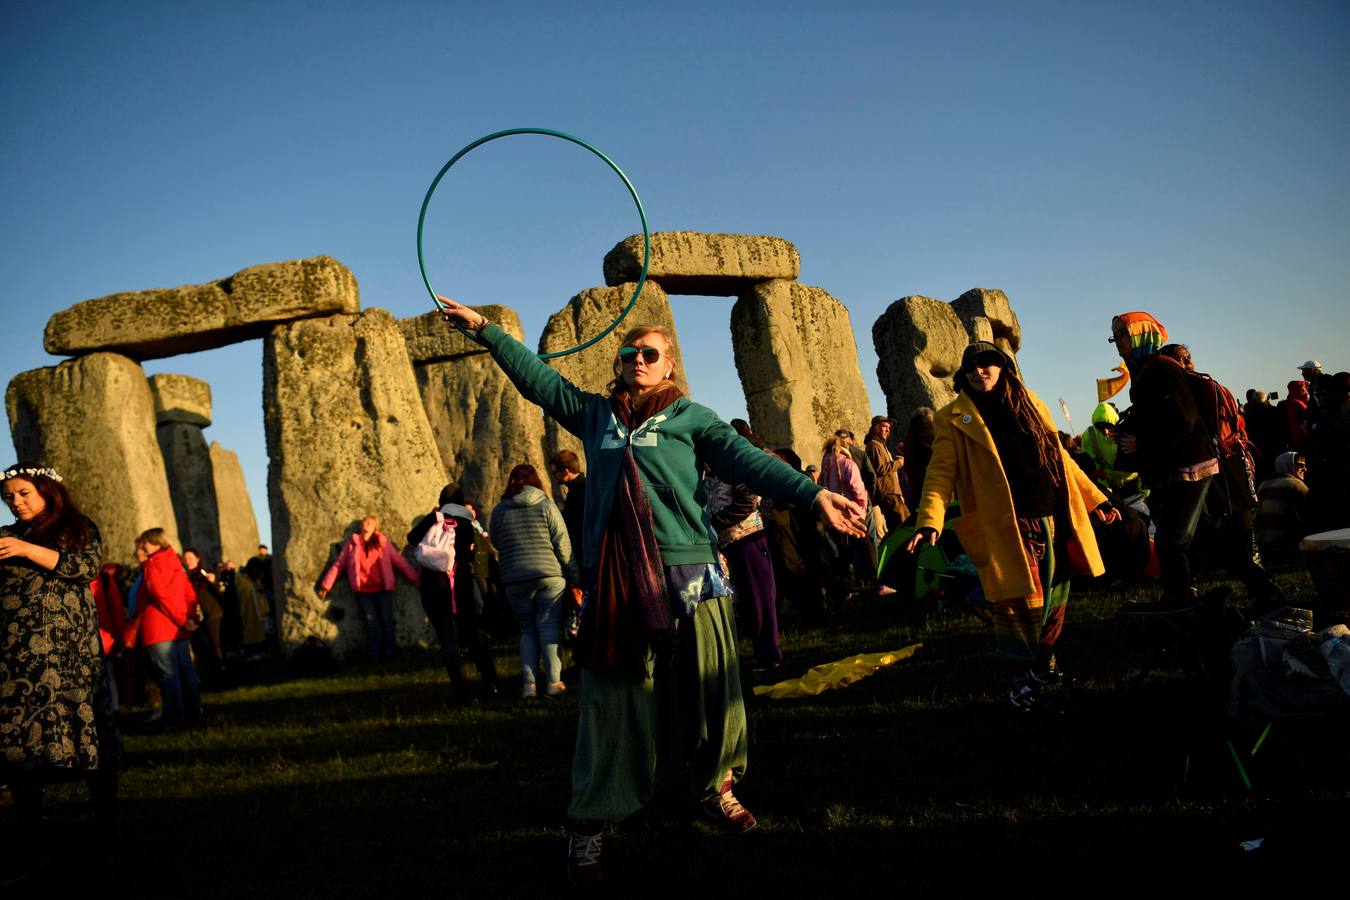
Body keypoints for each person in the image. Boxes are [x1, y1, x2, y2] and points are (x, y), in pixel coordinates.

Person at [434, 298, 864, 887]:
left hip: (691, 576)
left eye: (650, 353)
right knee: (612, 704)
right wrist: (488, 332)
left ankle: (717, 789)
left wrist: (813, 495)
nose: (637, 359)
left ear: (668, 366)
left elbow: (746, 460)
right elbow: (540, 382)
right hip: (616, 581)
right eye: (629, 352)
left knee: (713, 692)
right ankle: (590, 822)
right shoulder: (595, 415)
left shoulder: (693, 418)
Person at [907, 343, 1118, 711]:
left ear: (1003, 368)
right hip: (1007, 524)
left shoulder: (1031, 403)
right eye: (971, 367)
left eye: (987, 363)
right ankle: (1020, 682)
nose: (979, 371)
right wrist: (929, 520)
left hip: (1054, 515)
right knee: (1018, 604)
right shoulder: (952, 417)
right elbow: (940, 474)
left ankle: (1045, 663)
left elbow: (1060, 457)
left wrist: (1095, 498)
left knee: (1055, 598)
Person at [0, 463, 121, 850]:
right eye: (8, 498)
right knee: (19, 741)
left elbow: (83, 567)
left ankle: (106, 823)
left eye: (23, 494)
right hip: (16, 659)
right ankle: (30, 829)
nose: (15, 503)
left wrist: (26, 549)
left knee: (87, 730)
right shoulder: (5, 536)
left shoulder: (76, 528)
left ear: (46, 490)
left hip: (71, 655)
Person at [1110, 312, 1218, 612]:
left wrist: (1142, 442)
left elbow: (1184, 418)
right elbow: (1157, 416)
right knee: (1179, 537)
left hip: (1189, 466)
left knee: (1172, 541)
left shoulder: (1160, 368)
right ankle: (1180, 598)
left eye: (1122, 334)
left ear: (1142, 334)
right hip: (1172, 466)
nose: (1116, 341)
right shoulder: (1145, 369)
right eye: (1114, 336)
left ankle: (1180, 603)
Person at [489, 463, 578, 698]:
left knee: (527, 630)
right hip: (549, 575)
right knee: (549, 628)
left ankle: (529, 685)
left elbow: (496, 541)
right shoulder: (546, 506)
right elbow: (562, 543)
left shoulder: (499, 511)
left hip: (514, 578)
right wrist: (574, 575)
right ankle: (554, 682)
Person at [407, 484, 502, 702]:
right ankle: (491, 681)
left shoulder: (433, 518)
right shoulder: (465, 522)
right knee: (471, 634)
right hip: (460, 585)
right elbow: (469, 552)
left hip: (433, 587)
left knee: (447, 639)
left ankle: (462, 692)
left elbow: (412, 538)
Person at [124, 528, 204, 729]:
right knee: (187, 676)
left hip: (159, 629)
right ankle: (194, 718)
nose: (142, 547)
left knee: (169, 679)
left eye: (145, 543)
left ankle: (175, 721)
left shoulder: (152, 564)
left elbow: (160, 596)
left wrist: (181, 619)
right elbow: (189, 593)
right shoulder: (176, 562)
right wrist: (190, 618)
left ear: (156, 544)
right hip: (179, 629)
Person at [318, 515, 420, 661]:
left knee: (386, 620)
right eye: (364, 522)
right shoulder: (352, 545)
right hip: (363, 590)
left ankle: (390, 652)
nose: (367, 523)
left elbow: (400, 561)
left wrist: (415, 579)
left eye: (370, 522)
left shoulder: (382, 542)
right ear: (360, 526)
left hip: (383, 588)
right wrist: (325, 586)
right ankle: (374, 654)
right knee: (370, 621)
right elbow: (338, 565)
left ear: (375, 527)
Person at [1256, 451, 1310, 562]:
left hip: (1264, 551)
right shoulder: (1296, 485)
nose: (1305, 469)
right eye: (1300, 465)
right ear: (1288, 465)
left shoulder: (1263, 485)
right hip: (1286, 549)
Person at [864, 415, 909, 533]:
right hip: (888, 494)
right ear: (875, 428)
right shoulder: (874, 444)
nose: (888, 430)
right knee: (901, 527)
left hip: (893, 493)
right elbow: (880, 469)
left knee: (904, 524)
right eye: (884, 426)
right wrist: (899, 462)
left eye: (889, 427)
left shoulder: (880, 445)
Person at [549, 449, 588, 562]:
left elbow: (579, 523)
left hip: (583, 552)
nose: (554, 476)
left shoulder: (582, 489)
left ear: (566, 472)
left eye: (555, 472)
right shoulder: (576, 489)